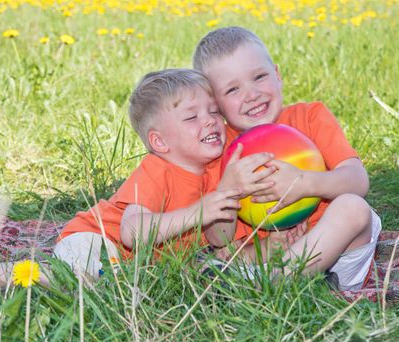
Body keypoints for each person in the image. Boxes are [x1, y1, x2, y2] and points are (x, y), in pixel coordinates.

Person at [192, 26, 382, 291]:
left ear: (278, 75)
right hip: (263, 261)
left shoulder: (311, 117)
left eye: (259, 77)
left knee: (354, 207)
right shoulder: (222, 152)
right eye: (233, 90)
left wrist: (306, 183)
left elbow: (357, 180)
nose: (251, 94)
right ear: (217, 105)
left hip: (338, 256)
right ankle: (283, 284)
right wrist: (228, 190)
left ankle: (274, 285)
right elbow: (218, 238)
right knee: (226, 253)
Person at [55, 68, 278, 279]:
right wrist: (199, 212)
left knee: (210, 266)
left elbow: (220, 238)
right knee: (83, 268)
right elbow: (132, 233)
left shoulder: (219, 168)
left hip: (134, 268)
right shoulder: (157, 169)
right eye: (192, 117)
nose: (211, 120)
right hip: (97, 238)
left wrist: (230, 192)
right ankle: (45, 278)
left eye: (215, 111)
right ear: (160, 142)